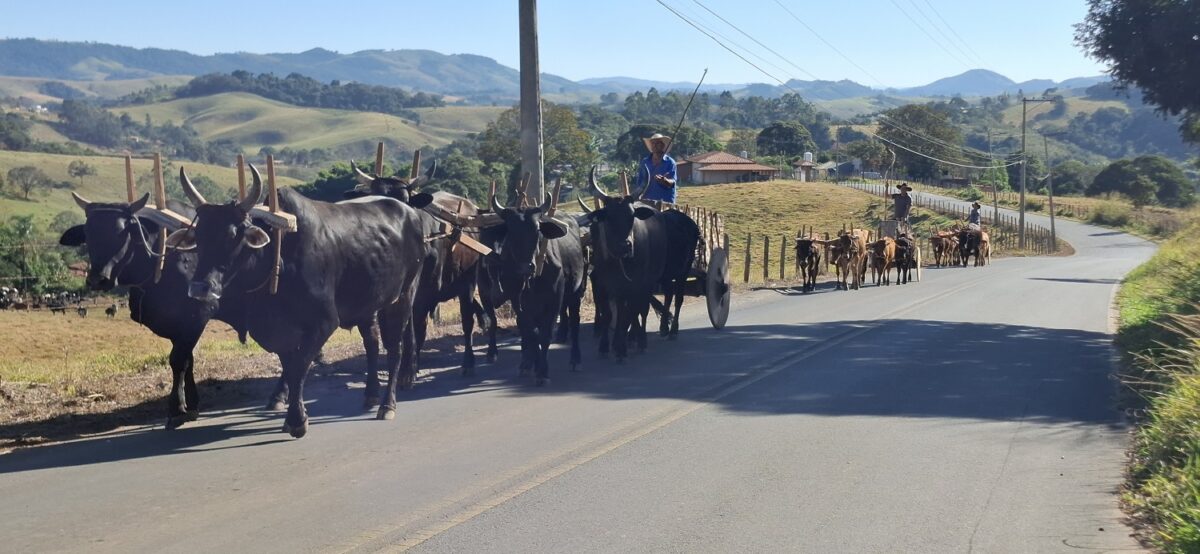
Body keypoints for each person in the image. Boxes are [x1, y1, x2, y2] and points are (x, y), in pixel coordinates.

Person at [633, 133, 678, 203]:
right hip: (646, 201)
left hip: (665, 201)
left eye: (657, 143)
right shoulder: (645, 162)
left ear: (663, 146)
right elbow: (640, 182)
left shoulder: (670, 162)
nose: (654, 145)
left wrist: (665, 181)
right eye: (653, 143)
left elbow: (673, 182)